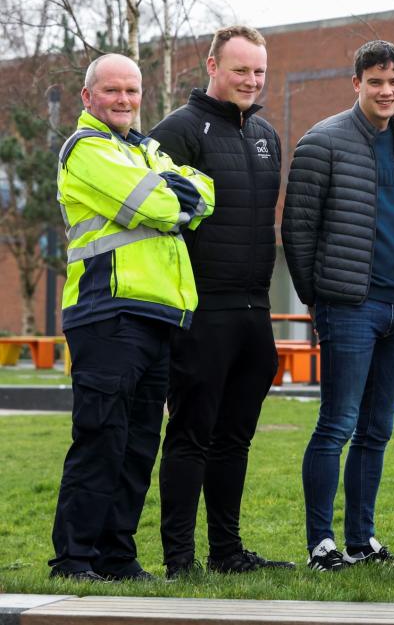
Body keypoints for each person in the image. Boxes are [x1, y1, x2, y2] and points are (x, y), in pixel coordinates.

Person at [50, 54, 215, 581]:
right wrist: (174, 191)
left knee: (140, 442)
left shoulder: (143, 149)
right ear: (88, 97)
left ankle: (117, 556)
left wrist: (175, 191)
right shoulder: (86, 149)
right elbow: (158, 203)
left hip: (157, 314)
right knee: (101, 437)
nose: (124, 100)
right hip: (106, 312)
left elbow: (205, 193)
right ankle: (74, 560)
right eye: (113, 91)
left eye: (132, 91)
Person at [150, 26, 293, 578]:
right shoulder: (177, 131)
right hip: (199, 310)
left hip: (254, 310)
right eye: (241, 70)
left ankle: (228, 552)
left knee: (235, 438)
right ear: (212, 66)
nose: (251, 81)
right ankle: (179, 560)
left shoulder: (265, 134)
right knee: (191, 434)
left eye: (259, 72)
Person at [282, 40, 394, 571]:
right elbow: (297, 229)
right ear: (356, 83)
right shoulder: (323, 142)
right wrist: (319, 299)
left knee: (377, 430)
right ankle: (322, 544)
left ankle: (361, 540)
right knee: (337, 425)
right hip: (348, 308)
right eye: (375, 82)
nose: (386, 91)